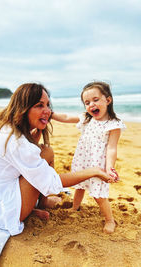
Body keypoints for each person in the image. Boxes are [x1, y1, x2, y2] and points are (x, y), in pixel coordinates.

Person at [0, 83, 116, 266]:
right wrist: (93, 171)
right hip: (2, 212)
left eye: (48, 105)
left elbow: (26, 158)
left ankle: (41, 202)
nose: (47, 111)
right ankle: (34, 205)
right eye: (39, 105)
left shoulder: (8, 129)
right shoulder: (15, 142)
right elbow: (51, 183)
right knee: (42, 170)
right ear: (23, 108)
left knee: (46, 152)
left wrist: (34, 140)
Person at [52, 81, 125, 234]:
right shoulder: (87, 118)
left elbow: (112, 148)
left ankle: (109, 220)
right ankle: (75, 207)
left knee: (99, 195)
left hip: (99, 163)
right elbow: (65, 117)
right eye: (87, 102)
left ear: (108, 100)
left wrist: (110, 168)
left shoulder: (113, 124)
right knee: (79, 185)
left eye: (95, 100)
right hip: (83, 159)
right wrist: (50, 114)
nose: (91, 105)